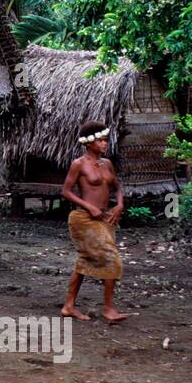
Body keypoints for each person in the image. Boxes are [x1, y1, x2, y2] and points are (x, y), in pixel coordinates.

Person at [61, 121, 129, 324]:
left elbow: (117, 187)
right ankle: (109, 309)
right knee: (112, 258)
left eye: (106, 140)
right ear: (89, 143)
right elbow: (65, 191)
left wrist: (119, 205)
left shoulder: (107, 164)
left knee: (86, 260)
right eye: (100, 140)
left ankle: (68, 306)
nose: (104, 143)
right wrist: (88, 206)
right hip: (83, 219)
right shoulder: (78, 164)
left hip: (106, 219)